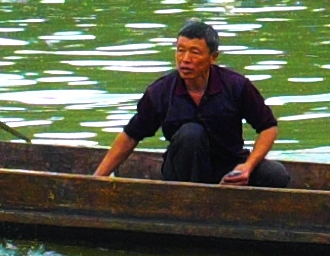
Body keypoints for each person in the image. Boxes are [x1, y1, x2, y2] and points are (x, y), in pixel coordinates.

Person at [93, 21, 280, 185]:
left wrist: (246, 167)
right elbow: (130, 136)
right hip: (182, 174)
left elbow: (268, 127)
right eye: (180, 51)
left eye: (195, 52)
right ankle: (192, 200)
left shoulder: (236, 86)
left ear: (213, 57)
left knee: (275, 174)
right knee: (192, 133)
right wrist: (97, 178)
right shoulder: (161, 91)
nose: (185, 60)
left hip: (227, 167)